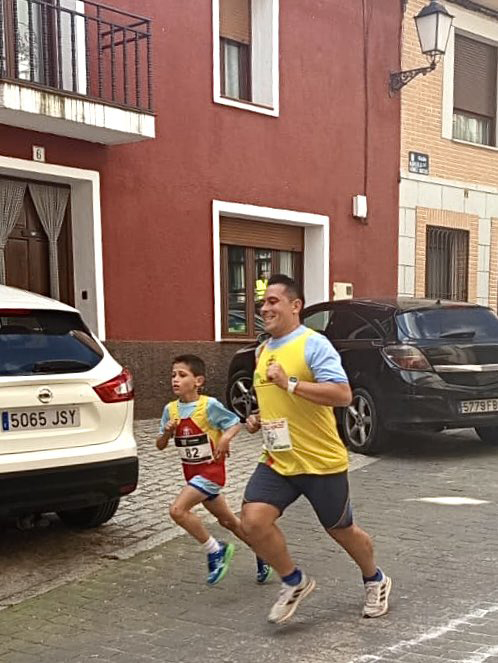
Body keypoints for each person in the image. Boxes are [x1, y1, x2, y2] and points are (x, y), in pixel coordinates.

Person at [241, 275, 391, 624]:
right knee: (252, 521)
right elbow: (275, 399)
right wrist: (259, 417)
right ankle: (293, 580)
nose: (265, 308)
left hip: (320, 461)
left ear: (296, 306)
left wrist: (291, 383)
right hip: (279, 459)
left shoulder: (313, 344)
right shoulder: (262, 351)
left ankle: (375, 578)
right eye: (263, 302)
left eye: (273, 301)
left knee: (341, 529)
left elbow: (343, 394)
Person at [156, 354, 272, 586]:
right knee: (229, 522)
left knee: (178, 511)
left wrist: (225, 439)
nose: (175, 380)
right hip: (192, 475)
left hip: (211, 474)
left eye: (182, 375)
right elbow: (159, 445)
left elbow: (234, 423)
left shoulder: (208, 406)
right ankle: (265, 553)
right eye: (173, 375)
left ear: (198, 381)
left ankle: (215, 549)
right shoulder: (170, 410)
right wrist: (167, 432)